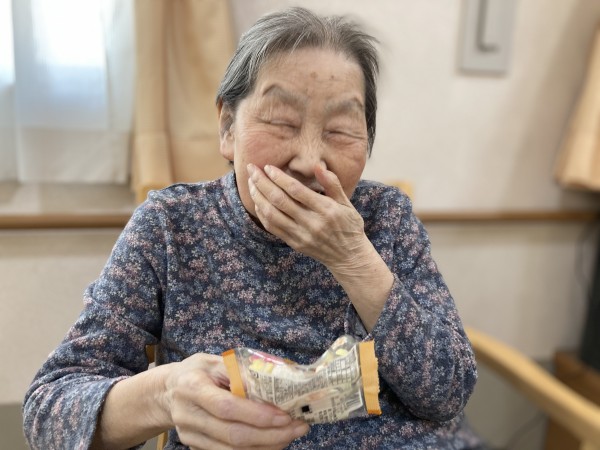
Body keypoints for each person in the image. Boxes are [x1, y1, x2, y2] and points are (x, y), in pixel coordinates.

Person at [23, 7, 484, 450]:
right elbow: (49, 410)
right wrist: (165, 393)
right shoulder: (171, 226)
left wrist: (354, 259)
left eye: (341, 130)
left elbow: (448, 394)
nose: (308, 160)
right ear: (228, 128)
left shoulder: (386, 217)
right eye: (282, 122)